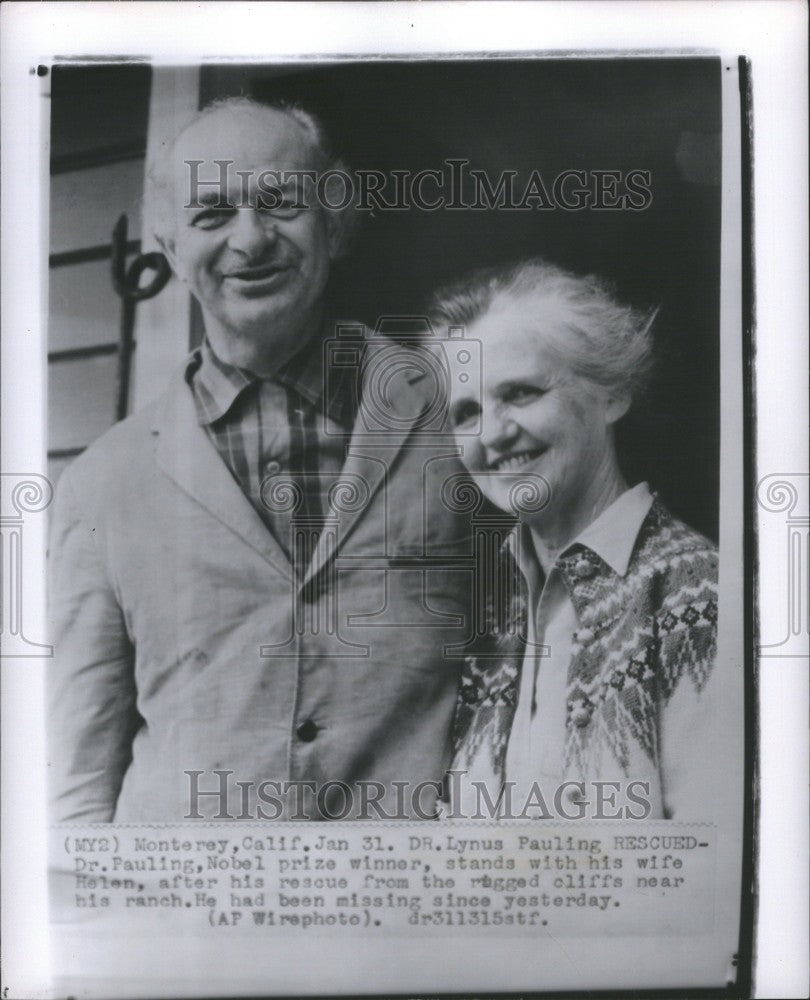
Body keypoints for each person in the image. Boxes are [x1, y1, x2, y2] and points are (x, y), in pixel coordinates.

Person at [48, 97, 474, 822]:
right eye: (211, 216)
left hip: (405, 916)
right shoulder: (100, 485)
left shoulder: (461, 419)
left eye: (280, 204)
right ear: (170, 247)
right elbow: (75, 780)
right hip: (180, 921)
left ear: (336, 223)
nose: (250, 241)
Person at [430, 258, 735, 821]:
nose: (492, 434)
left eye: (520, 393)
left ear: (612, 395)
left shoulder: (701, 597)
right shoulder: (493, 619)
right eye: (467, 411)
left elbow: (711, 877)